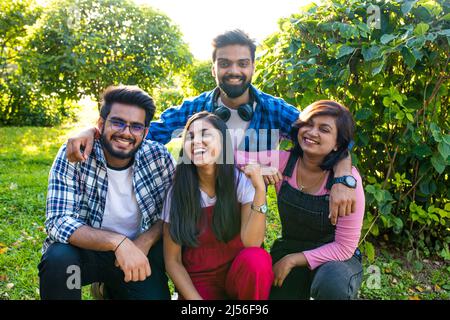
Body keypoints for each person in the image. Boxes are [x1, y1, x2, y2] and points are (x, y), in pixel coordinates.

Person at [64, 29, 356, 224]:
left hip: (246, 208)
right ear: (213, 67)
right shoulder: (194, 107)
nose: (234, 71)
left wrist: (343, 177)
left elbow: (326, 138)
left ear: (253, 67)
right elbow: (141, 131)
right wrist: (93, 130)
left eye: (243, 63)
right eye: (225, 63)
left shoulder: (275, 110)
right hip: (197, 206)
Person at [38, 85, 175, 300]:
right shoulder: (75, 154)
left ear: (145, 132)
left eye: (136, 127)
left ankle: (112, 288)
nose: (126, 133)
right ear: (101, 124)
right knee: (59, 260)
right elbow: (57, 221)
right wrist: (118, 242)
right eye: (118, 122)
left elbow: (172, 212)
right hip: (84, 257)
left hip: (134, 258)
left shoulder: (158, 157)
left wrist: (144, 242)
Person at [237, 100, 364, 299]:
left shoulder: (347, 183)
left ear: (337, 143)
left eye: (324, 129)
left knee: (333, 285)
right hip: (290, 246)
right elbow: (234, 156)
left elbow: (344, 247)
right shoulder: (282, 161)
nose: (312, 132)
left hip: (336, 258)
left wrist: (293, 260)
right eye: (308, 124)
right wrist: (256, 168)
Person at [162, 111, 274, 300]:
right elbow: (173, 261)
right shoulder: (177, 192)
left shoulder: (240, 181)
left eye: (205, 134)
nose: (196, 141)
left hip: (237, 274)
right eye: (190, 137)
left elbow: (252, 243)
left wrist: (260, 191)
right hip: (200, 282)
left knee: (257, 260)